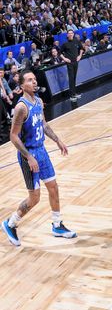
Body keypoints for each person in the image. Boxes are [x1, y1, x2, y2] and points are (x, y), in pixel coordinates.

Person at [3, 70, 75, 247]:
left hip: (41, 151)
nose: (34, 82)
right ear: (21, 86)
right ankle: (10, 223)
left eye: (34, 79)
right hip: (29, 156)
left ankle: (57, 225)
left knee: (54, 187)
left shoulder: (38, 101)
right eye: (29, 80)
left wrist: (58, 140)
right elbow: (13, 136)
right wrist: (29, 157)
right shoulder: (21, 107)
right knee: (34, 198)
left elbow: (43, 124)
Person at [59, 29, 83, 101]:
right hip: (69, 63)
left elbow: (81, 48)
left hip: (76, 61)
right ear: (67, 35)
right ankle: (71, 95)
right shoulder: (65, 43)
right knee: (71, 78)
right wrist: (65, 59)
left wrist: (80, 56)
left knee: (74, 77)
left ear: (73, 34)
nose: (70, 34)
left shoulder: (76, 41)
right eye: (69, 33)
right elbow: (59, 53)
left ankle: (74, 93)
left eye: (71, 33)